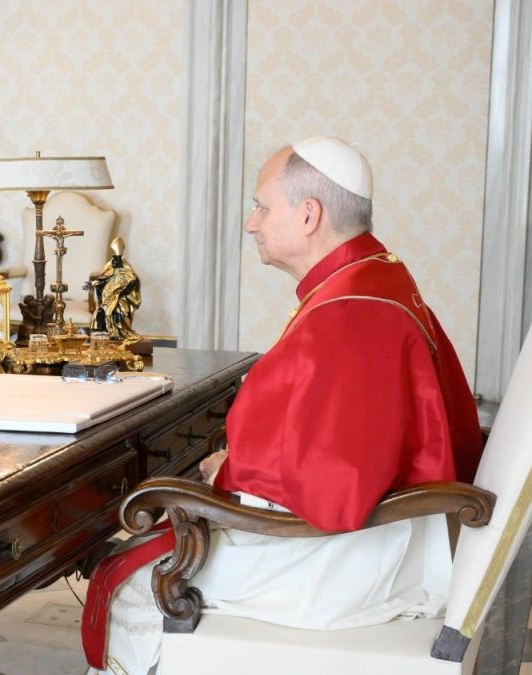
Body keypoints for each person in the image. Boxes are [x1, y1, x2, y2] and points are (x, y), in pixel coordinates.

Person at [81, 137, 484, 674]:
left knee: (134, 581)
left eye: (262, 207)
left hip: (353, 559)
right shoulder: (371, 277)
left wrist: (237, 471)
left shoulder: (352, 314)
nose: (252, 223)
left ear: (309, 214)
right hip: (388, 534)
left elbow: (337, 479)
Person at [87, 237, 141, 340]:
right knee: (106, 309)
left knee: (122, 310)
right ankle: (111, 331)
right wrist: (96, 282)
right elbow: (103, 275)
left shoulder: (126, 265)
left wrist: (127, 283)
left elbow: (133, 278)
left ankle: (127, 330)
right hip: (109, 293)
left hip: (122, 295)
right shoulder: (109, 264)